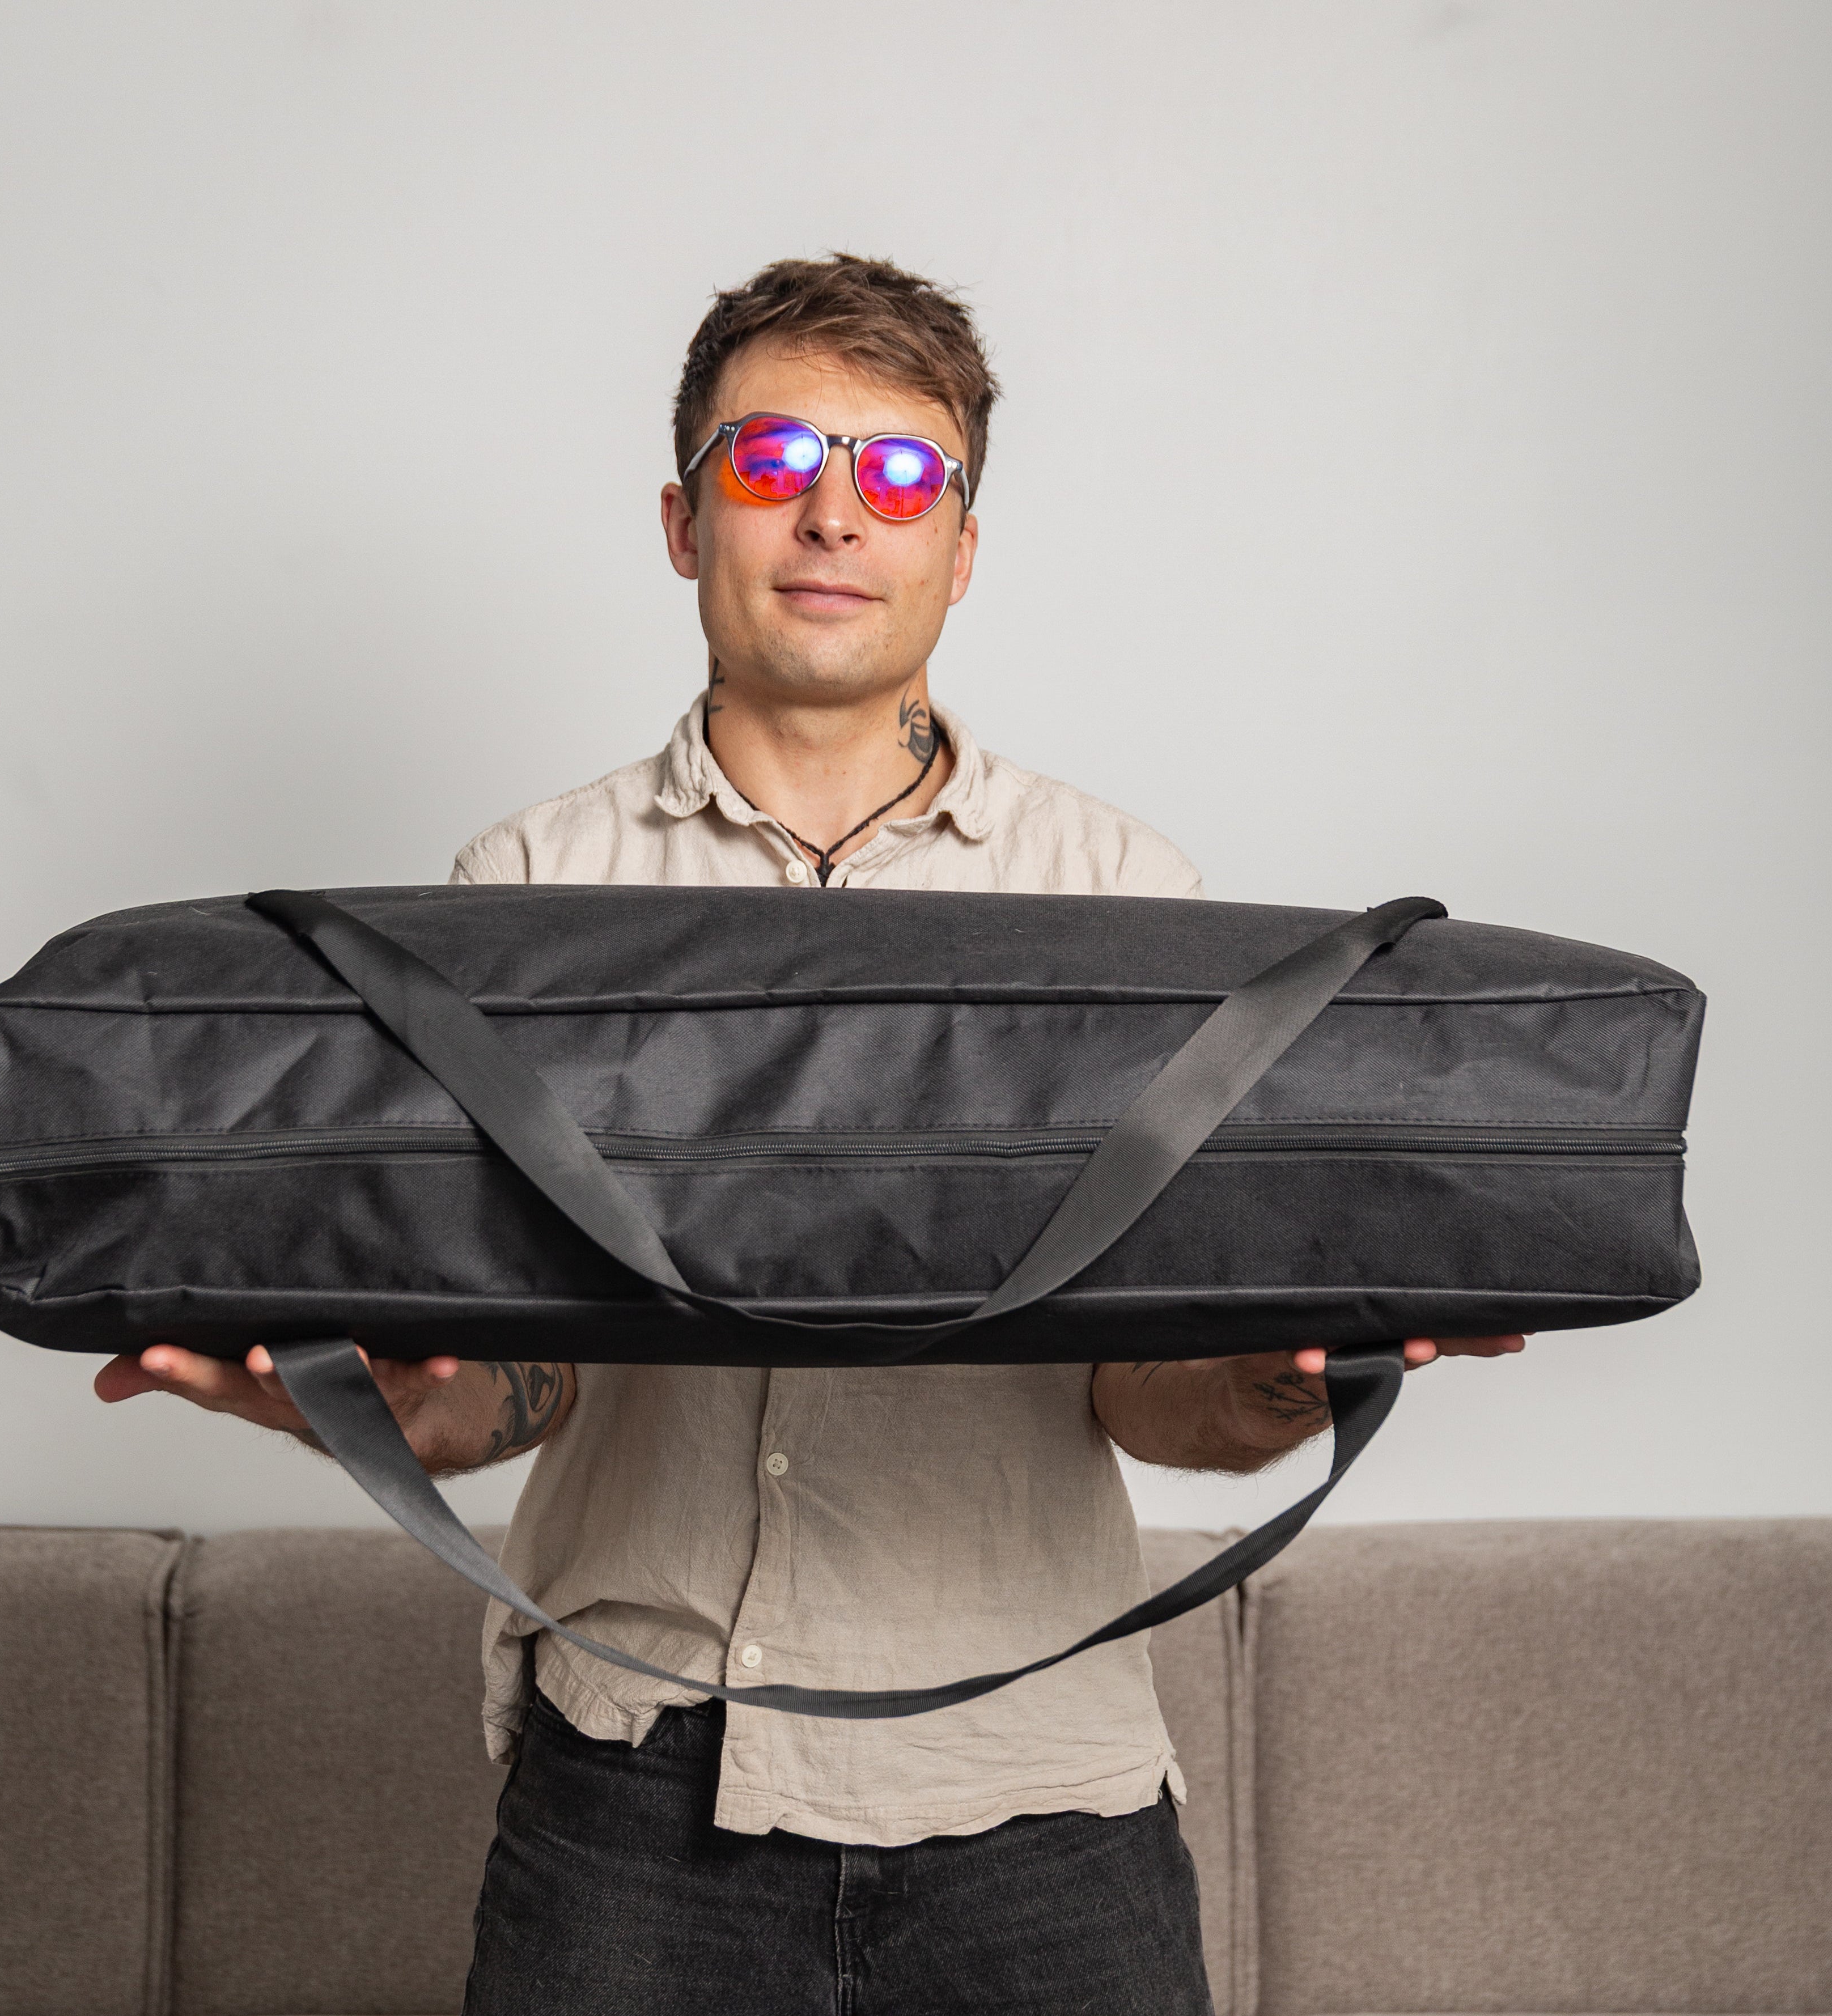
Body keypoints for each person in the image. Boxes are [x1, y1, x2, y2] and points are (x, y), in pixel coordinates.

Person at [96, 254, 1525, 2015]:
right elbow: (521, 1375)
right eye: (772, 461)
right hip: (629, 1813)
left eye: (900, 473)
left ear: (963, 548)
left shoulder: (1130, 903)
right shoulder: (518, 896)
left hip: (1043, 1812)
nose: (836, 513)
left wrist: (1286, 1377)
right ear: (685, 520)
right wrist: (385, 1410)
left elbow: (1141, 1388)